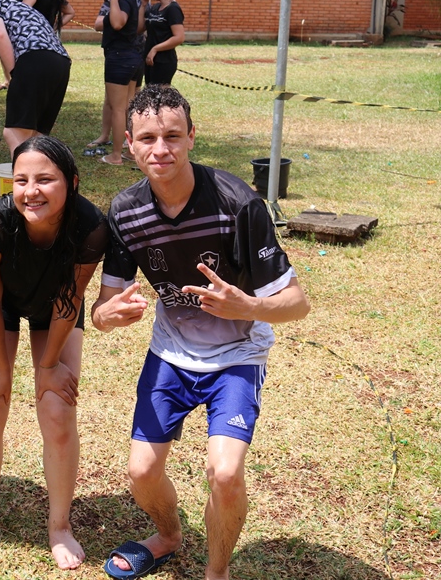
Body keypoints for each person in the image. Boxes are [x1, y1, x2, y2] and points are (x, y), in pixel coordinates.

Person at [91, 85, 310, 580]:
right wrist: (107, 316)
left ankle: (217, 571)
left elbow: (297, 304)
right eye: (147, 138)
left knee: (225, 473)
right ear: (129, 143)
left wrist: (247, 305)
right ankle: (168, 536)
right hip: (171, 353)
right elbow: (104, 306)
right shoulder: (125, 211)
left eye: (172, 136)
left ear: (192, 136)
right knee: (142, 473)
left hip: (238, 354)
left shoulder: (238, 203)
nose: (160, 149)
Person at [0, 135, 107, 570]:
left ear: (72, 182)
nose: (31, 191)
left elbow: (70, 298)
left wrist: (48, 365)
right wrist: (1, 371)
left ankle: (60, 526)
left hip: (56, 305)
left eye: (45, 180)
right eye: (21, 180)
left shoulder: (91, 226)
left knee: (57, 409)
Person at [0, 0, 70, 156]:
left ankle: (23, 171)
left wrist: (14, 74)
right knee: (38, 136)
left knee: (15, 133)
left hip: (34, 58)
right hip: (61, 63)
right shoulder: (22, 11)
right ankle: (40, 171)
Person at [92, 0, 142, 166]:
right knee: (127, 107)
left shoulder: (123, 3)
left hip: (121, 60)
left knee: (118, 109)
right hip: (130, 58)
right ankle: (130, 151)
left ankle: (116, 156)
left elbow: (117, 23)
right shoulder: (128, 2)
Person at [142, 0, 185, 86]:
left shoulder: (173, 9)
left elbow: (179, 37)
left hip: (164, 61)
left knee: (160, 96)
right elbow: (141, 28)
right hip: (150, 60)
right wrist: (143, 4)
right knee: (150, 94)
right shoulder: (155, 7)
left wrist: (155, 49)